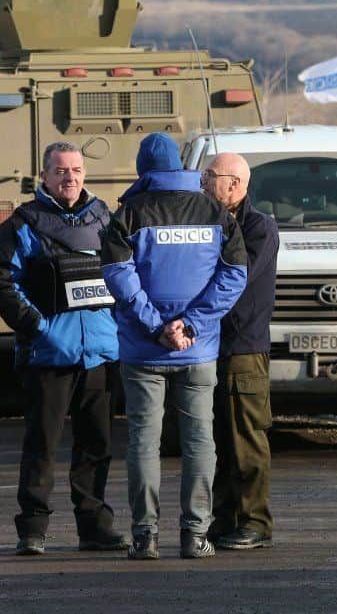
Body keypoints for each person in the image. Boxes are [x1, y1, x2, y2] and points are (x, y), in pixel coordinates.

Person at [101, 133, 248, 560]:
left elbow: (118, 275)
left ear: (143, 169)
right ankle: (195, 535)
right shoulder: (217, 213)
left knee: (144, 444)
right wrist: (194, 325)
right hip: (197, 351)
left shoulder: (128, 214)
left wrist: (156, 326)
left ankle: (145, 537)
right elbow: (234, 276)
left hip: (144, 351)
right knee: (200, 441)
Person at [0, 141, 128, 556]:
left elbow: (124, 275)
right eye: (62, 171)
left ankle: (95, 528)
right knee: (42, 445)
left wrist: (117, 327)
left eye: (77, 171)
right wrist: (37, 326)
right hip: (49, 353)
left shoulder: (105, 219)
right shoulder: (23, 224)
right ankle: (32, 530)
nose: (71, 178)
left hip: (100, 353)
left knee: (97, 445)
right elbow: (0, 283)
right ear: (44, 176)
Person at [202, 152, 279, 550]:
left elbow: (236, 278)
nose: (202, 182)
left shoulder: (258, 228)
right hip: (211, 347)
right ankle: (226, 518)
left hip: (243, 348)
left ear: (233, 184)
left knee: (246, 438)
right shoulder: (207, 220)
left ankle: (255, 521)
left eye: (209, 176)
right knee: (218, 440)